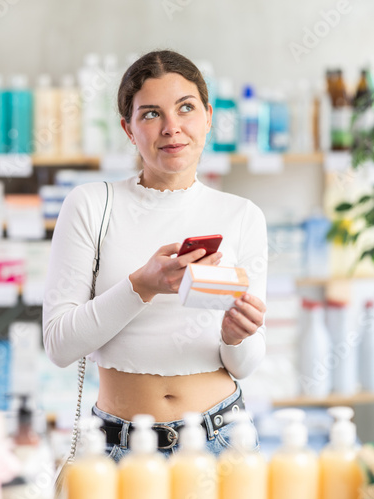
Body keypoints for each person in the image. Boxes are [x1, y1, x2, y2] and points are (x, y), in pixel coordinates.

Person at [43, 50, 267, 462]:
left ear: (209, 116)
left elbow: (245, 364)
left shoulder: (242, 216)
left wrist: (236, 337)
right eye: (150, 114)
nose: (172, 128)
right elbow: (58, 345)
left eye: (186, 108)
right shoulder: (92, 205)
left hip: (220, 441)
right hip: (117, 446)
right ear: (128, 129)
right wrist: (141, 285)